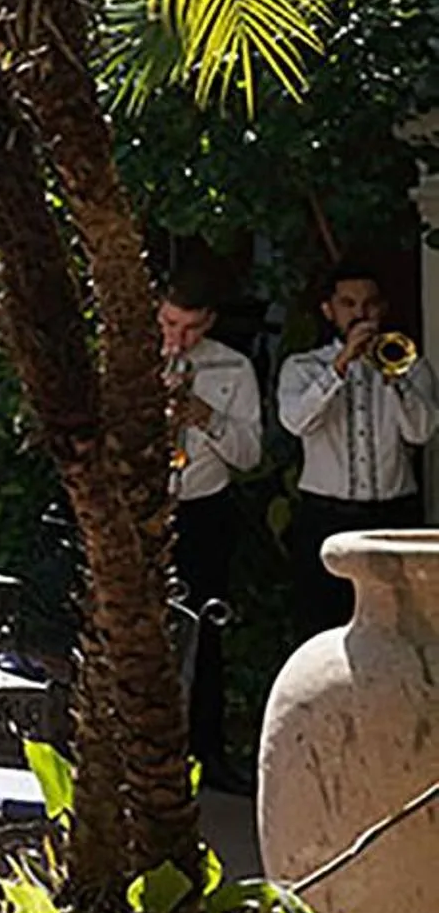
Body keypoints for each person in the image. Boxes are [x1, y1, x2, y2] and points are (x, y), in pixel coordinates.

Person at [277, 262, 435, 641]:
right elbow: (296, 423)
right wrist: (340, 366)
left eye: (369, 304)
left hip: (393, 514)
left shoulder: (411, 366)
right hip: (324, 515)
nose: (360, 313)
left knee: (400, 631)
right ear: (329, 310)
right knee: (322, 630)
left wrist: (393, 380)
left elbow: (421, 432)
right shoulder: (302, 367)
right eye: (348, 303)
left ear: (382, 309)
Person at [159, 276, 263, 789]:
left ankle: (208, 751)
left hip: (204, 509)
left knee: (206, 633)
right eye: (171, 324)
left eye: (192, 328)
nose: (179, 339)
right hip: (144, 511)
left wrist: (203, 415)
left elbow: (249, 456)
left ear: (210, 323)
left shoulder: (232, 367)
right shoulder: (133, 358)